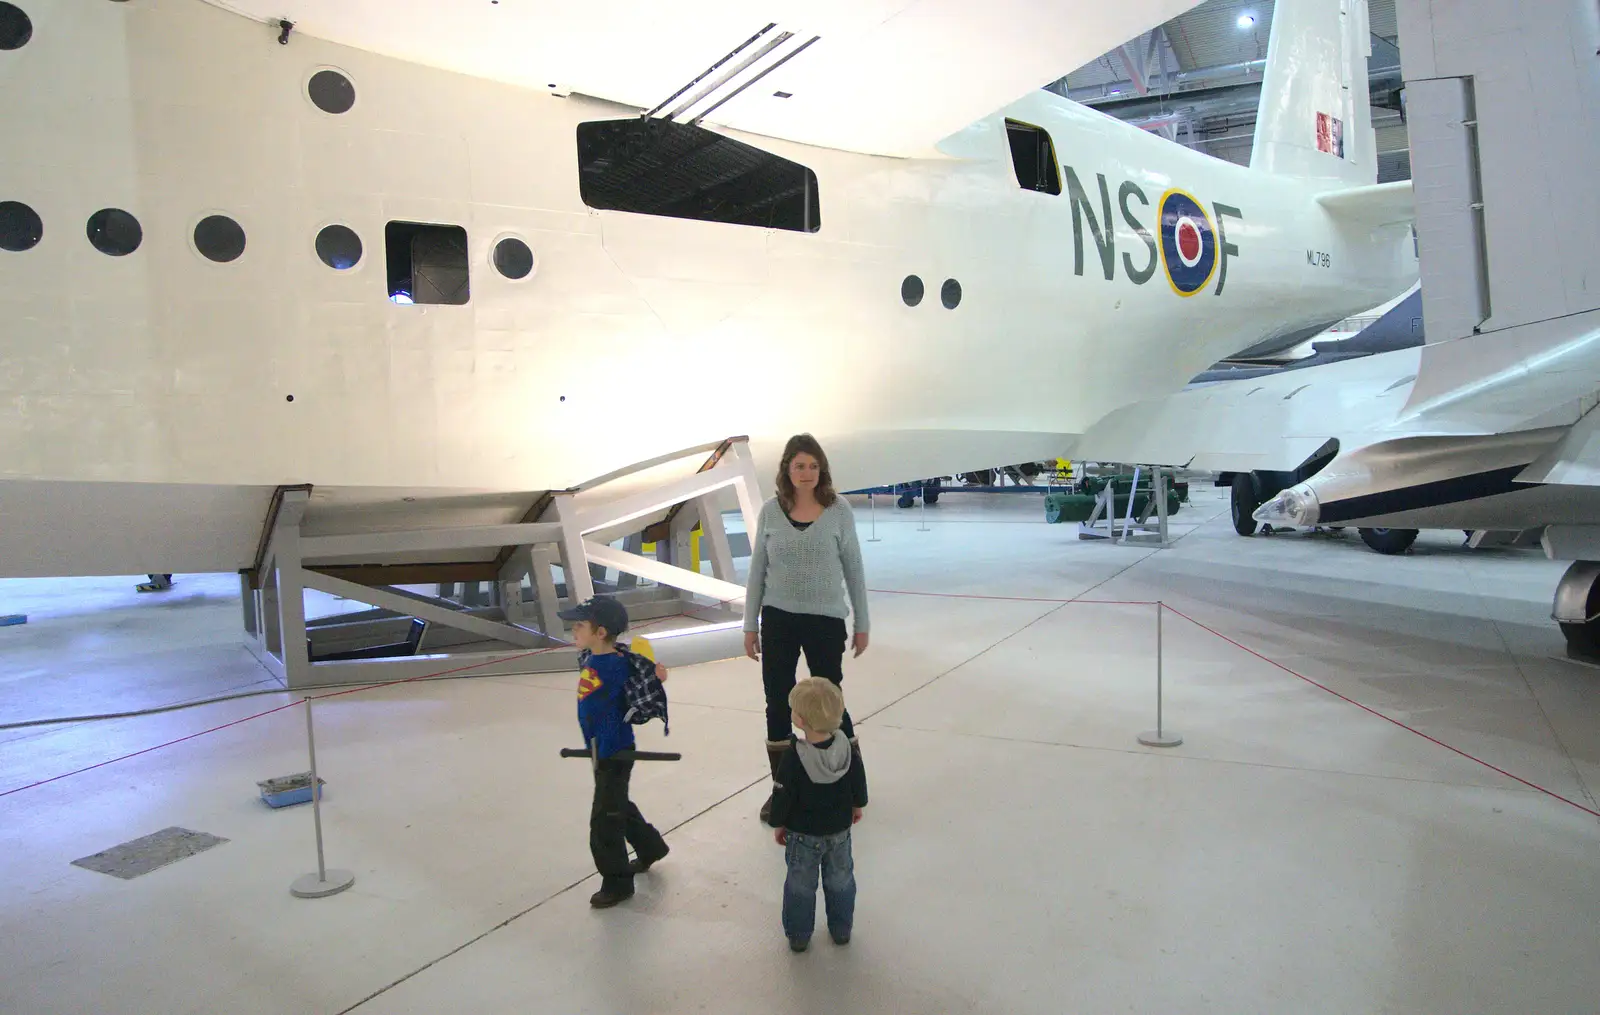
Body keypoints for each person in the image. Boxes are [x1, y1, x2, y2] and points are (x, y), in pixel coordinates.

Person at [744, 433, 871, 825]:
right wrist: (750, 624)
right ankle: (782, 791)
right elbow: (757, 572)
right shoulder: (769, 511)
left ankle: (849, 785)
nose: (806, 473)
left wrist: (862, 623)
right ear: (787, 469)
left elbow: (854, 568)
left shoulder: (839, 511)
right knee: (777, 703)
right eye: (799, 465)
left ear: (822, 470)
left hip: (825, 621)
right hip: (779, 619)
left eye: (813, 466)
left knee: (829, 702)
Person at [561, 595, 671, 909]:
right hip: (597, 748)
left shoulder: (618, 664)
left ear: (601, 632)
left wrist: (655, 675)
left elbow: (644, 681)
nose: (574, 630)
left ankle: (617, 883)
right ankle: (650, 847)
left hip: (615, 751)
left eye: (580, 625)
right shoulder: (589, 657)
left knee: (604, 821)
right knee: (616, 803)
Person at [770, 677, 867, 952]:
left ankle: (799, 935)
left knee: (800, 887)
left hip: (803, 835)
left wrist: (779, 823)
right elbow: (858, 780)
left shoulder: (794, 756)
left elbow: (782, 793)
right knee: (841, 880)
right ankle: (841, 929)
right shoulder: (845, 748)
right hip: (839, 830)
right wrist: (857, 805)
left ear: (799, 720)